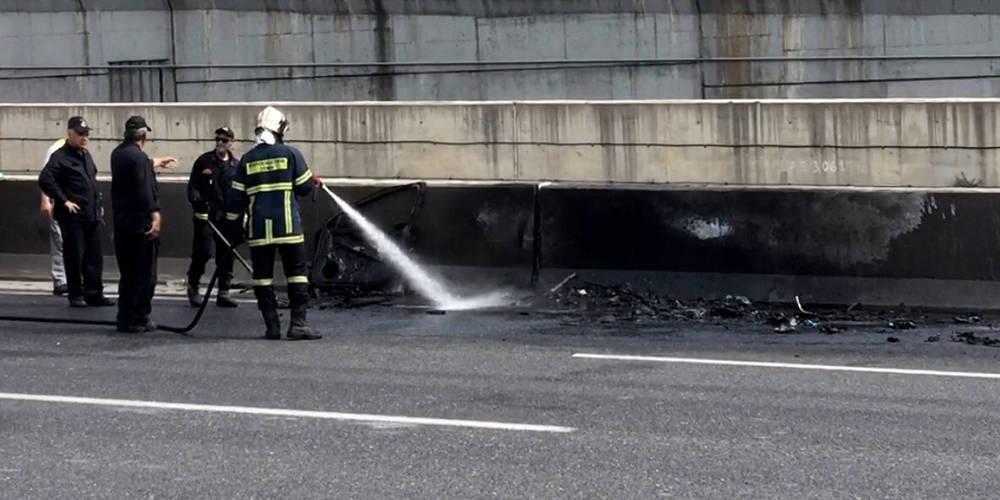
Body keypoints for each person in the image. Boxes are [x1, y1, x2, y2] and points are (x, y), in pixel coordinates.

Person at [224, 106, 322, 340]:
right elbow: (305, 188)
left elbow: (235, 200)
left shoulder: (247, 159)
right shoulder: (291, 154)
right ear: (279, 129)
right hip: (288, 227)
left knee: (262, 277)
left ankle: (272, 327)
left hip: (258, 230)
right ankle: (298, 325)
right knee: (297, 274)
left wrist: (232, 228)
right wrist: (311, 180)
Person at [38, 116, 115, 308]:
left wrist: (99, 203)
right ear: (70, 134)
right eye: (80, 134)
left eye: (87, 134)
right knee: (75, 255)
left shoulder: (85, 155)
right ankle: (76, 293)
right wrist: (64, 200)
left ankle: (94, 292)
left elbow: (91, 181)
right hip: (73, 216)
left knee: (94, 255)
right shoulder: (60, 156)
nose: (84, 138)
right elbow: (46, 179)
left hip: (91, 213)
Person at [110, 116, 176, 333]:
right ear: (143, 136)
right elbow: (145, 190)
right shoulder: (138, 159)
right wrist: (155, 216)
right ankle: (139, 316)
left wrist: (157, 162)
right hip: (141, 225)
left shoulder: (118, 154)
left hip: (122, 225)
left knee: (127, 274)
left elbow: (139, 164)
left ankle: (125, 316)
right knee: (145, 274)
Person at [186, 126, 240, 308]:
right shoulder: (204, 162)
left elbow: (240, 192)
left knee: (226, 254)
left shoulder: (236, 166)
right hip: (205, 217)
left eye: (224, 140)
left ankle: (223, 292)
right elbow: (192, 186)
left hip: (226, 218)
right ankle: (193, 285)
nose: (219, 143)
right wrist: (197, 201)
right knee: (202, 253)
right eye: (217, 139)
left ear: (231, 143)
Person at [41, 137, 69, 296]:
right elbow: (46, 177)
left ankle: (71, 278)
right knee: (59, 240)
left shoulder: (81, 151)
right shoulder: (56, 150)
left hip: (73, 202)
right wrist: (45, 200)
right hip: (58, 201)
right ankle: (60, 280)